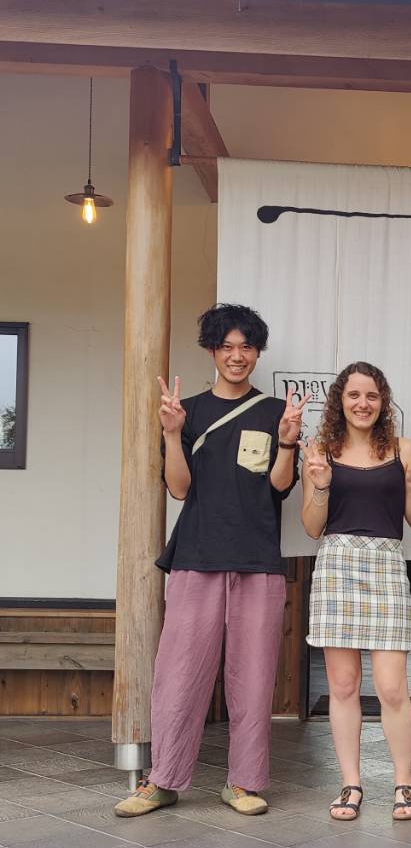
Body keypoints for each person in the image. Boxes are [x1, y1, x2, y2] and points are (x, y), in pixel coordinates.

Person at [115, 303, 306, 819]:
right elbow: (179, 488)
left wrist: (288, 442)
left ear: (258, 352)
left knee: (254, 677)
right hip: (196, 556)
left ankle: (243, 782)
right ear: (211, 352)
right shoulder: (189, 411)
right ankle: (163, 779)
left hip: (258, 559)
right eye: (226, 347)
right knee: (178, 674)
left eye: (246, 347)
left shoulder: (276, 413)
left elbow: (279, 487)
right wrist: (171, 432)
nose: (237, 356)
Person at [301, 362, 411, 822]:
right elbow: (311, 526)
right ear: (340, 401)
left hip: (386, 564)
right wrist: (320, 486)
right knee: (343, 685)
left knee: (392, 687)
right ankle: (350, 784)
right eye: (354, 395)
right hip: (336, 564)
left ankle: (404, 783)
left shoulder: (402, 449)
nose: (363, 404)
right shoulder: (320, 451)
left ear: (383, 402)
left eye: (372, 396)